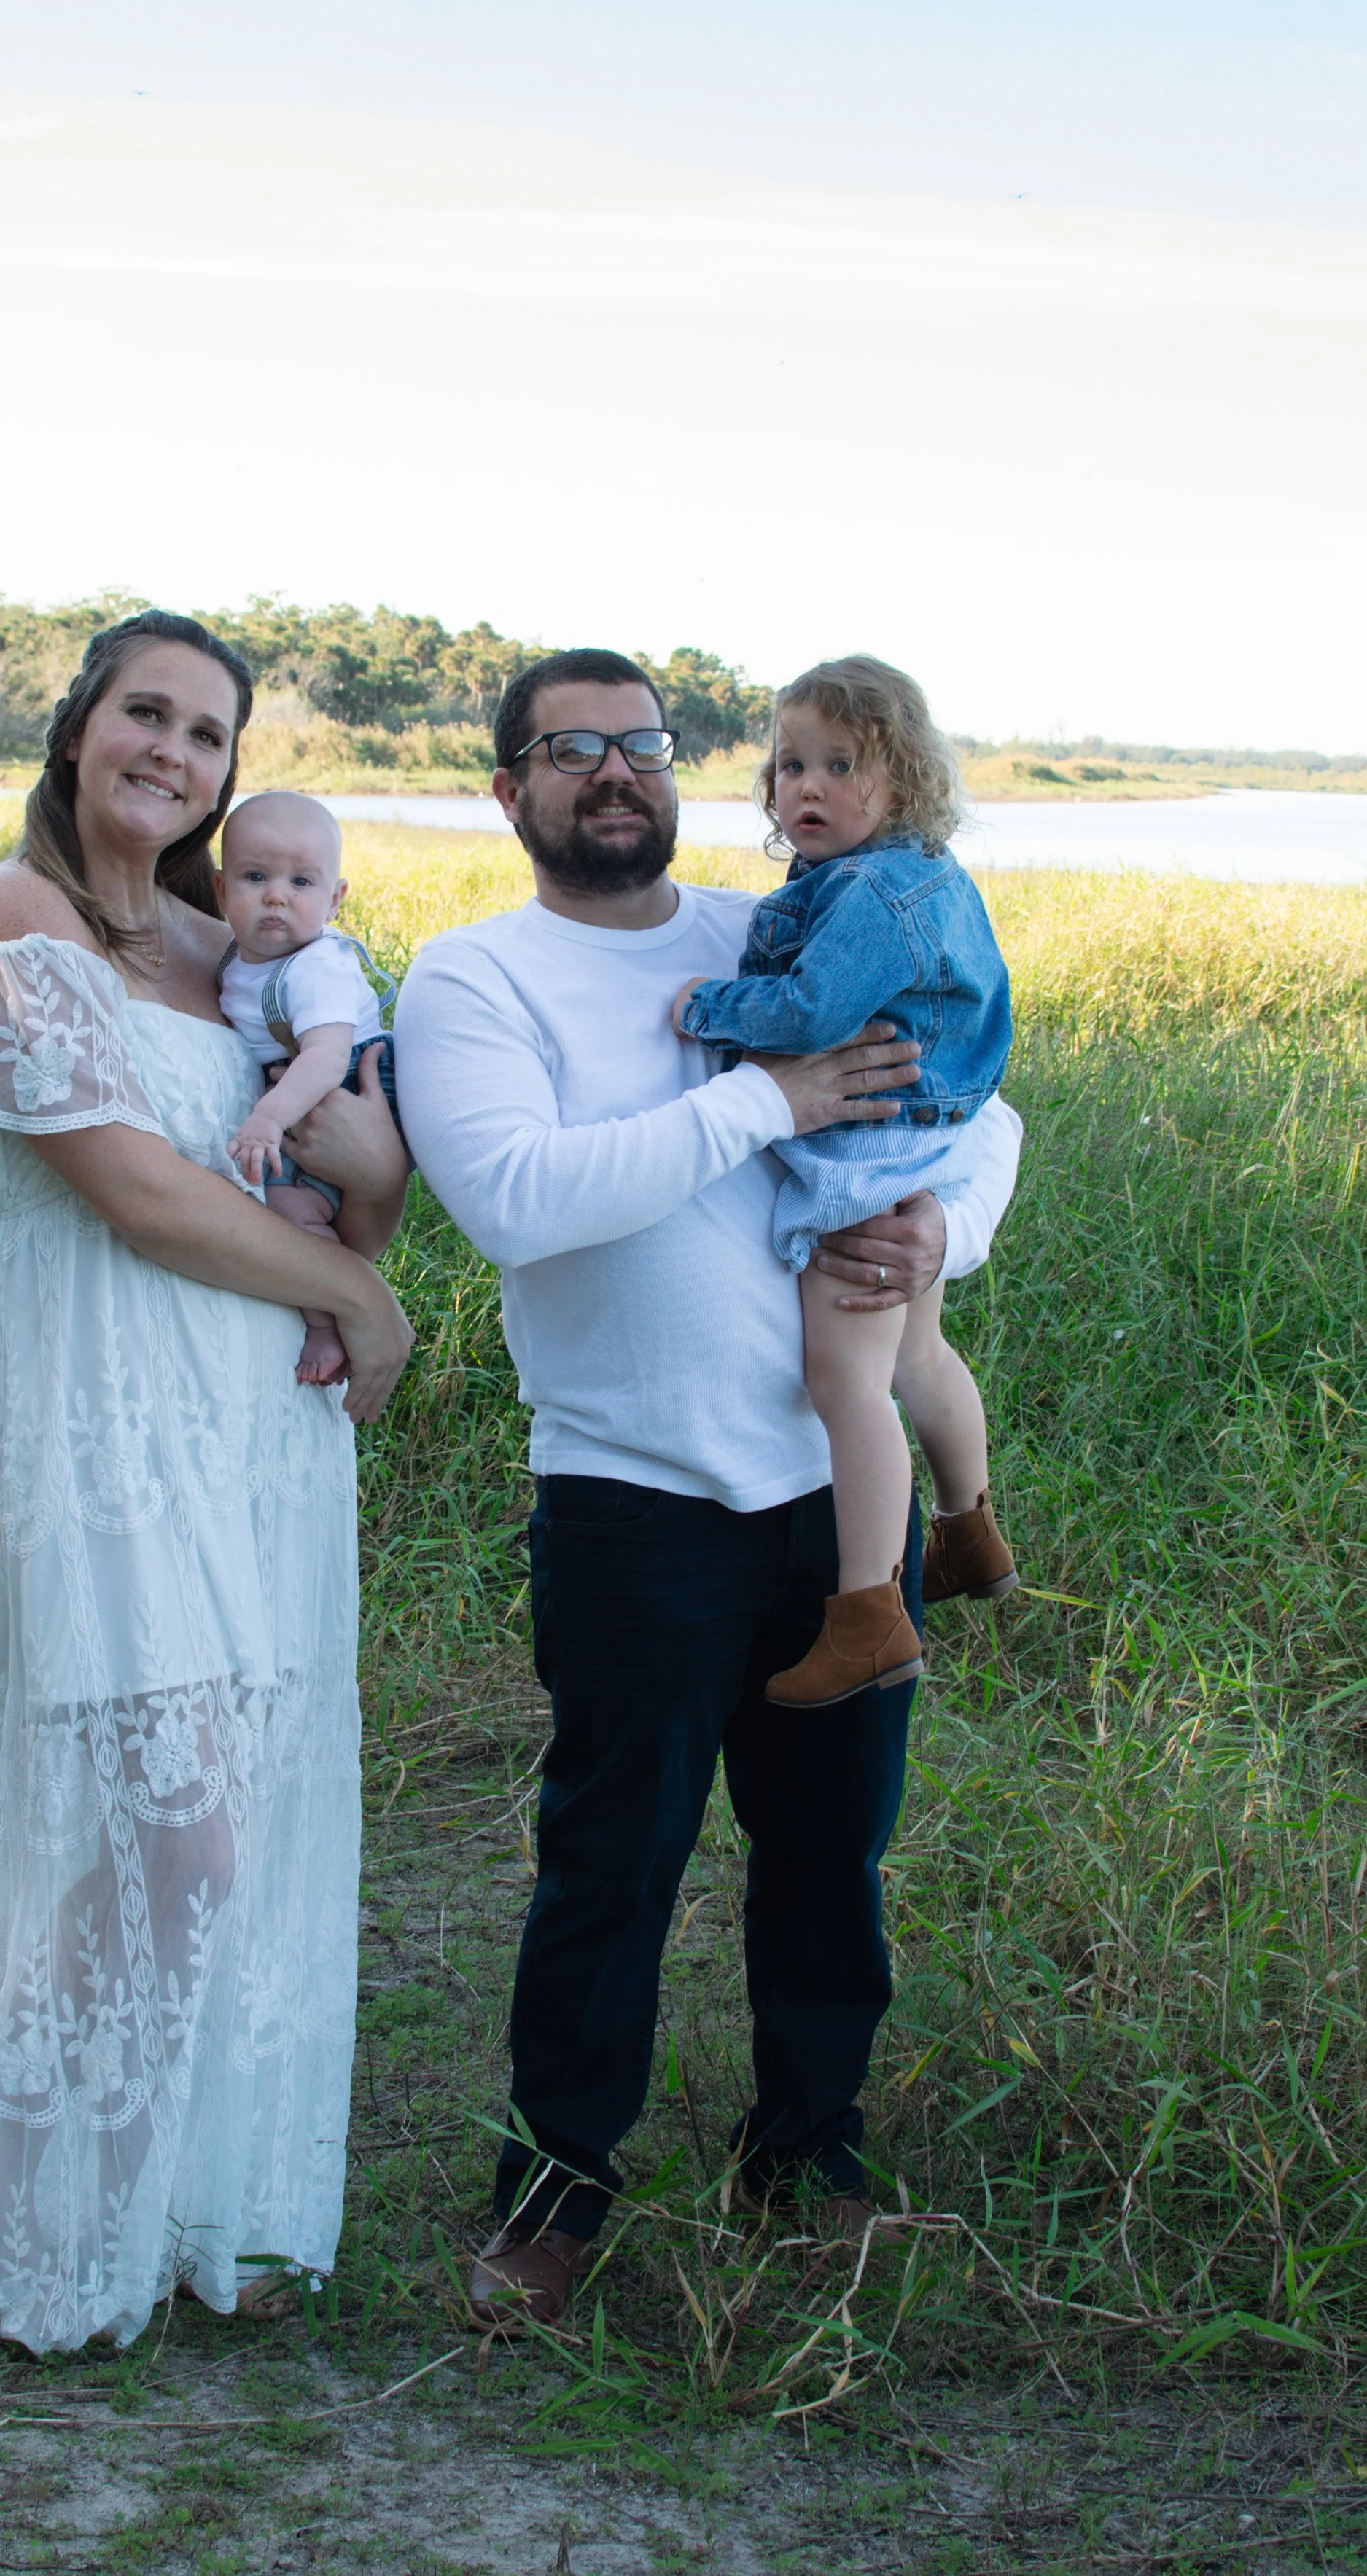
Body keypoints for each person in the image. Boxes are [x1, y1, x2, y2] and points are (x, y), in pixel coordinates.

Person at [392, 647, 1022, 2332]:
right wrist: (775, 1095)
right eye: (568, 748)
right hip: (633, 1499)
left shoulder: (777, 925)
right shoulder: (471, 977)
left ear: (678, 770)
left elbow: (989, 1102)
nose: (611, 770)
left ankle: (805, 2159)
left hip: (833, 1495)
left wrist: (947, 1220)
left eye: (639, 742)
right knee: (613, 1863)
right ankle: (554, 2193)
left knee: (831, 1860)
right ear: (507, 788)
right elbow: (522, 1199)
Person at [0, 611, 413, 2355]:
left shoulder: (247, 948)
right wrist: (359, 1297)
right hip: (95, 1421)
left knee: (241, 1831)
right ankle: (39, 2238)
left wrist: (370, 1217)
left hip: (250, 1437)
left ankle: (205, 2209)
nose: (176, 753)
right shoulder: (9, 917)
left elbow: (356, 1171)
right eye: (148, 713)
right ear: (76, 727)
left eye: (210, 732)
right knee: (158, 1830)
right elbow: (130, 1187)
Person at [674, 656, 1017, 1712]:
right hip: (930, 1136)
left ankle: (870, 1613)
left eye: (838, 765)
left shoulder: (871, 890)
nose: (804, 788)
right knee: (918, 1349)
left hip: (873, 1147)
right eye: (787, 767)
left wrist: (709, 1005)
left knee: (846, 1382)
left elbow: (818, 1010)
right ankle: (972, 1533)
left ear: (903, 778)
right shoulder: (919, 875)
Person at [216, 788, 394, 1387]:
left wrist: (267, 1118)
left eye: (302, 882)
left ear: (336, 899)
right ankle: (332, 1297)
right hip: (308, 1094)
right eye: (256, 876)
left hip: (349, 1087)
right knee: (291, 1212)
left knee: (290, 1215)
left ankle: (326, 1321)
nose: (276, 895)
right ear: (221, 891)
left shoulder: (316, 965)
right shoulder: (239, 962)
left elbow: (324, 1056)